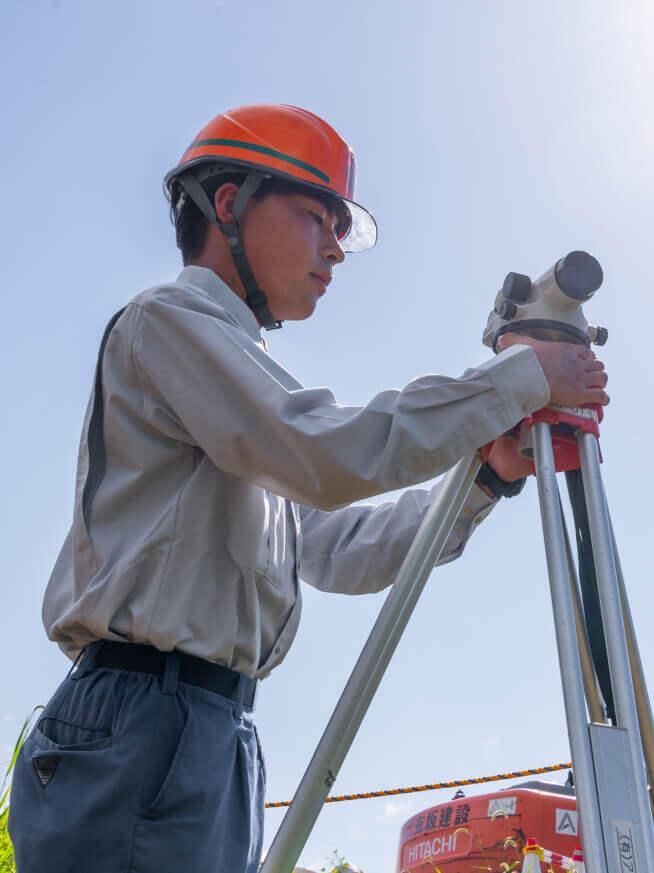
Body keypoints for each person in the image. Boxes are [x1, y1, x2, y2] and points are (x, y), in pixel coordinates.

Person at [8, 104, 608, 873]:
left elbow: (345, 550)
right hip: (139, 718)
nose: (335, 249)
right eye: (316, 217)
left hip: (212, 728)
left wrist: (486, 478)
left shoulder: (240, 399)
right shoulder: (169, 322)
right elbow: (324, 453)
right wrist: (518, 377)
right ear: (229, 204)